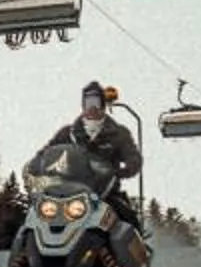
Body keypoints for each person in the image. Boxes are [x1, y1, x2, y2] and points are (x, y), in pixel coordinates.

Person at [50, 80, 142, 228]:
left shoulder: (118, 133)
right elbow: (48, 153)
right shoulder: (68, 133)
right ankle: (25, 248)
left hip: (106, 192)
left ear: (103, 104)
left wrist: (123, 171)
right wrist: (37, 168)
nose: (92, 107)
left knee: (127, 218)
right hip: (69, 193)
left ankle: (137, 247)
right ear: (82, 104)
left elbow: (133, 156)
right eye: (88, 102)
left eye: (96, 102)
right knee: (40, 212)